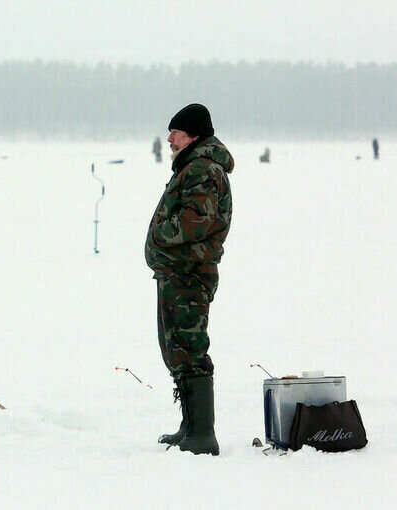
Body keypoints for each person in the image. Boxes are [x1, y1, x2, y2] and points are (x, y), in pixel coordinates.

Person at [145, 103, 234, 456]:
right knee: (177, 350)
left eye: (176, 132)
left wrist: (160, 237)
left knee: (190, 349)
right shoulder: (191, 167)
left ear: (193, 135)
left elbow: (196, 222)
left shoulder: (201, 170)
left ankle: (202, 435)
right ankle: (190, 427)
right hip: (176, 273)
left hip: (189, 273)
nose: (169, 138)